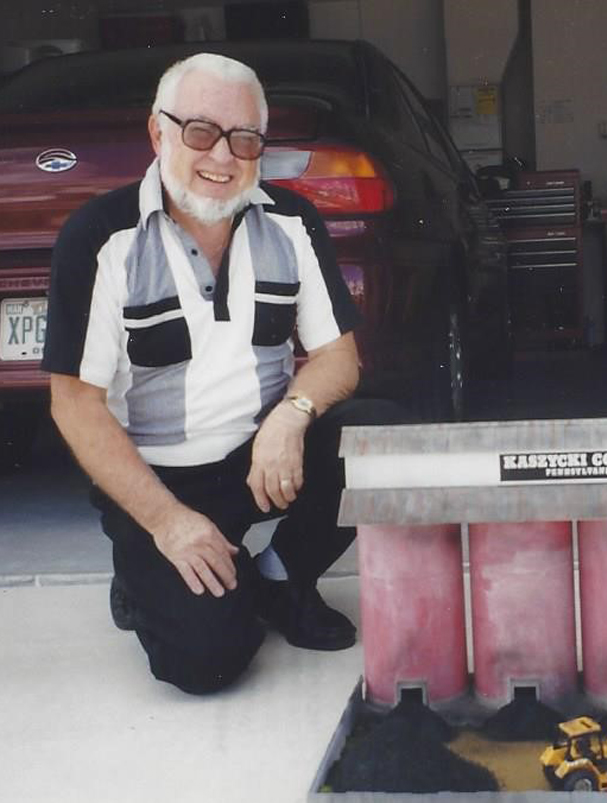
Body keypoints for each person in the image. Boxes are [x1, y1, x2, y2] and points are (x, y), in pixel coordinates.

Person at [43, 52, 403, 694]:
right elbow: (74, 403)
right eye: (201, 132)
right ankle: (145, 577)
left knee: (379, 436)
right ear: (159, 133)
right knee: (206, 662)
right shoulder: (101, 236)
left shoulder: (293, 223)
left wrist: (290, 420)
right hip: (158, 480)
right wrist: (166, 522)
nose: (224, 156)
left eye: (245, 139)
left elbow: (338, 359)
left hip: (262, 465)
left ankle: (281, 581)